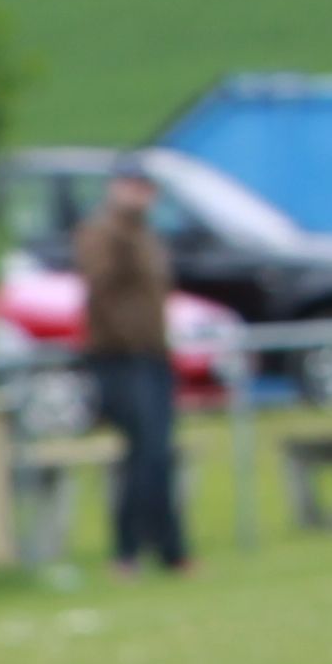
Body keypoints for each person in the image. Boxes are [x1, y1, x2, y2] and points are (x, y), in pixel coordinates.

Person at [75, 169, 189, 576]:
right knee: (142, 453)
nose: (140, 197)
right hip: (120, 358)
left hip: (154, 355)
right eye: (132, 188)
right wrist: (125, 339)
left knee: (158, 453)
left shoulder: (148, 236)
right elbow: (100, 289)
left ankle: (170, 550)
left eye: (146, 189)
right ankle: (128, 551)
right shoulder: (103, 233)